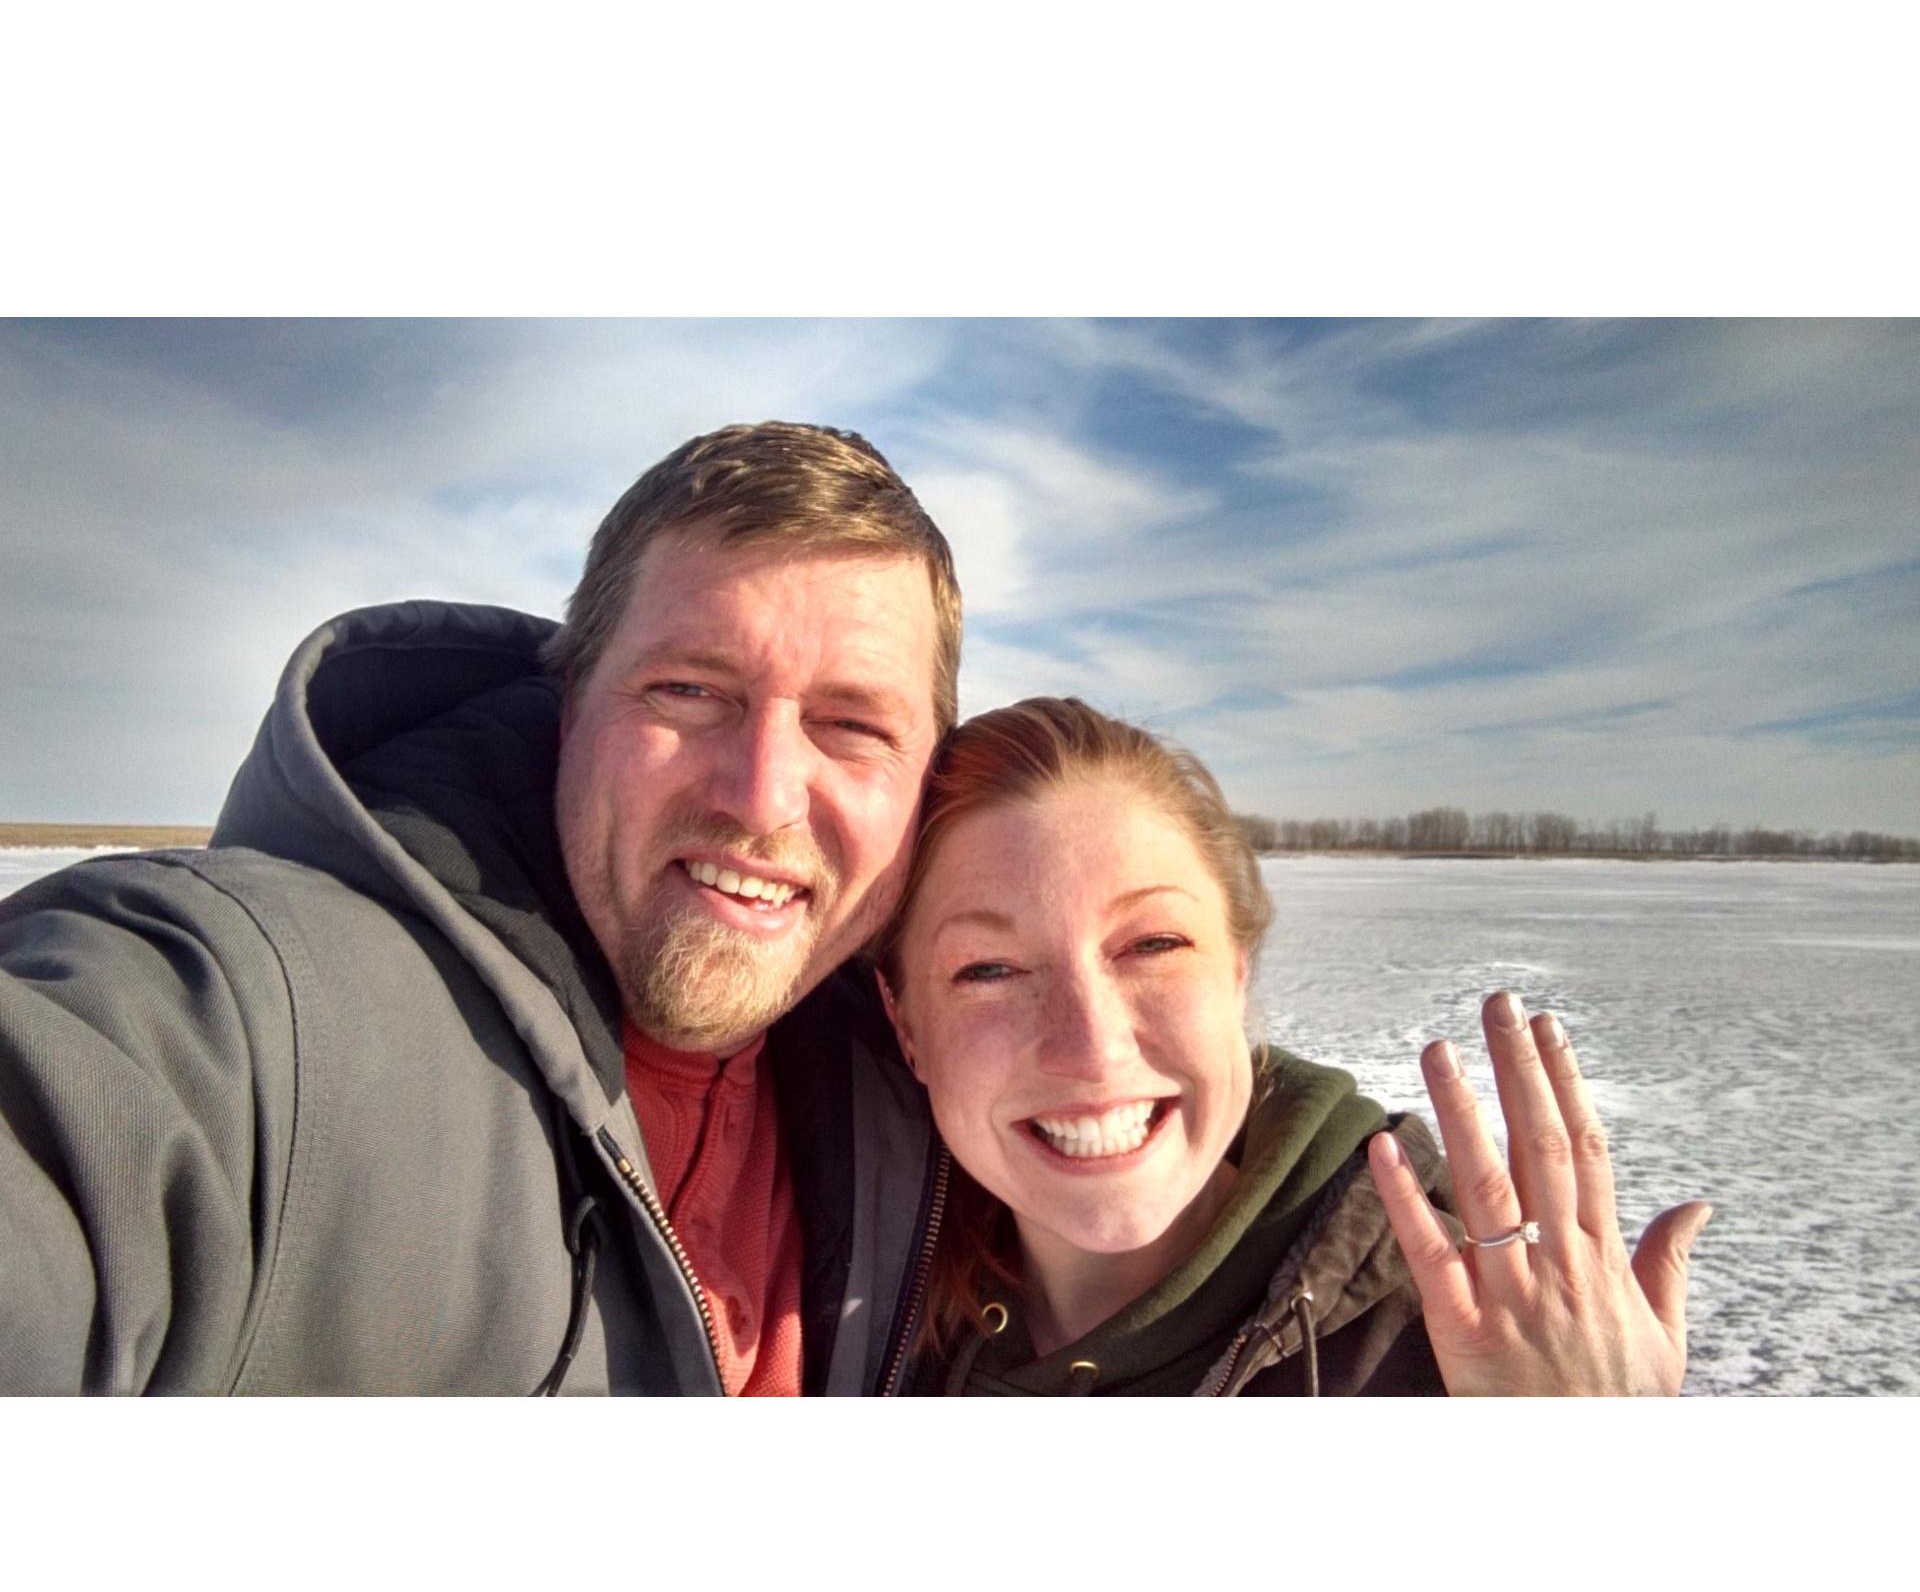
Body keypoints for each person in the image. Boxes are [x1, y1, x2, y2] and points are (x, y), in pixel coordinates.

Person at [0, 421, 960, 1395]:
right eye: (688, 689)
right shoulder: (251, 1021)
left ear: (926, 781)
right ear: (571, 705)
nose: (760, 795)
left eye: (851, 724)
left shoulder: (935, 1093)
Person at [873, 697, 1712, 1395]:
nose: (1090, 1047)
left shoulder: (1454, 1343)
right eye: (989, 969)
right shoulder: (851, 1312)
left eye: (1153, 945)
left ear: (1238, 972)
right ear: (907, 1026)